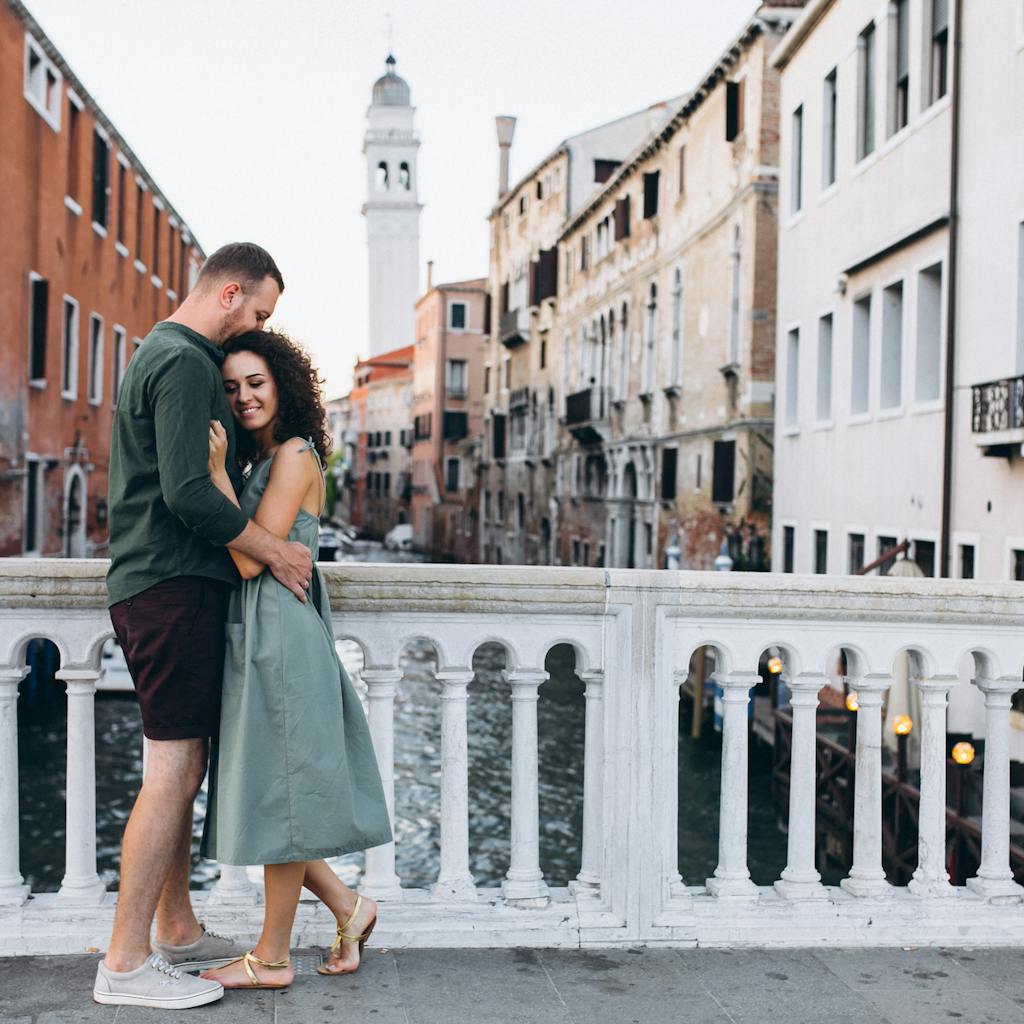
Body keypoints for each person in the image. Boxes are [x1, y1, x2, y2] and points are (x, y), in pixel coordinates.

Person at [94, 244, 314, 1010]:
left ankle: (177, 932)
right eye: (257, 312)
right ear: (229, 294)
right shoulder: (186, 362)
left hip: (161, 587)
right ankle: (123, 965)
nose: (255, 326)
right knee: (172, 775)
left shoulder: (159, 349)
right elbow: (188, 493)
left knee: (179, 772)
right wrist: (273, 549)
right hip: (171, 586)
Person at [198, 329, 392, 990]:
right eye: (231, 389)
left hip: (282, 638)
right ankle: (349, 907)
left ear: (282, 383)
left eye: (255, 382)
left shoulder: (293, 456)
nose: (244, 397)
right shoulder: (265, 459)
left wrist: (217, 477)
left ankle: (272, 958)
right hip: (262, 636)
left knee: (281, 796)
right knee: (274, 791)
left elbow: (250, 555)